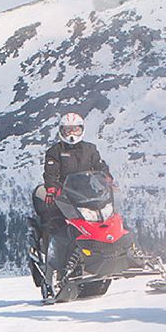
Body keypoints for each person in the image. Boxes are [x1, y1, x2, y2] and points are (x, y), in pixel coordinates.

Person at [30, 112, 111, 288]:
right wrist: (52, 188)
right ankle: (54, 264)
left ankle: (114, 252)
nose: (71, 133)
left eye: (75, 129)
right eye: (67, 130)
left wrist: (107, 179)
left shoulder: (90, 149)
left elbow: (99, 166)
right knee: (58, 225)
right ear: (61, 131)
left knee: (106, 218)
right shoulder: (55, 151)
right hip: (63, 197)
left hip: (87, 195)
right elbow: (50, 173)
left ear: (81, 129)